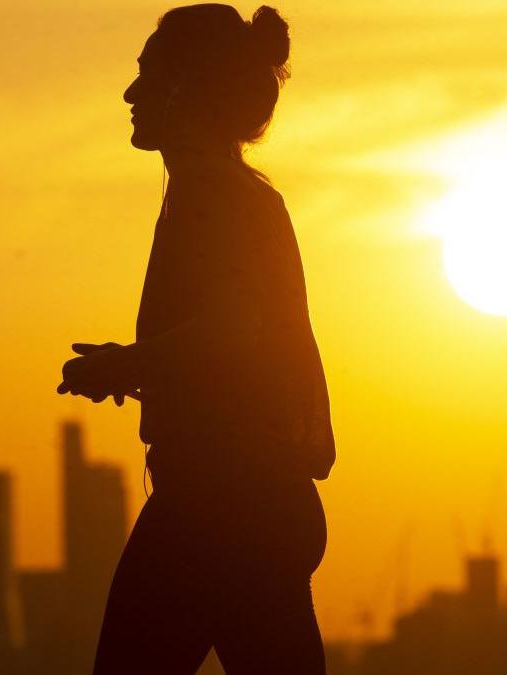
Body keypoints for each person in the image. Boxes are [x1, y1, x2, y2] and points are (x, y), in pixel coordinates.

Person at [56, 4, 336, 673]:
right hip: (255, 506)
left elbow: (233, 330)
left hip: (217, 509)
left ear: (184, 87)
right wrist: (141, 368)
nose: (130, 94)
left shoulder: (212, 194)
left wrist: (131, 362)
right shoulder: (235, 196)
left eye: (146, 75)